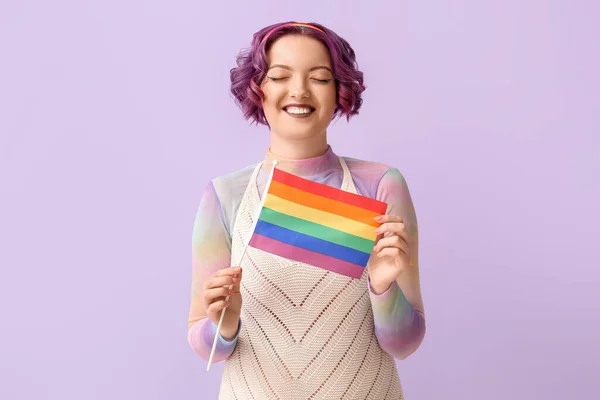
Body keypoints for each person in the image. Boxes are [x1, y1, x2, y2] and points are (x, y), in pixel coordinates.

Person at [187, 21, 426, 399]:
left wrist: (382, 288)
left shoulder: (380, 185)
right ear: (258, 89)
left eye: (319, 78)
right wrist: (224, 323)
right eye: (280, 76)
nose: (298, 91)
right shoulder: (224, 196)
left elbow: (405, 344)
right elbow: (205, 346)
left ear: (339, 92)